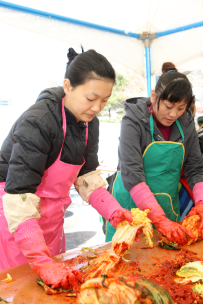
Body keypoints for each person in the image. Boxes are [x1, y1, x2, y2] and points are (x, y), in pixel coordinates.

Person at [0, 48, 133, 288]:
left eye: (104, 101)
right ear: (68, 86)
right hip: (17, 218)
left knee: (55, 283)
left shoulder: (90, 124)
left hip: (52, 218)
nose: (97, 108)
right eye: (91, 99)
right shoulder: (38, 121)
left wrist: (115, 211)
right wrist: (42, 262)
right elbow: (19, 195)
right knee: (19, 287)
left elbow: (86, 177)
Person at [106, 70, 203, 245]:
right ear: (153, 96)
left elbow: (195, 167)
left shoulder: (186, 123)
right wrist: (159, 220)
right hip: (131, 206)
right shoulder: (133, 121)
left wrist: (201, 202)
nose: (173, 114)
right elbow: (132, 174)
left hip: (167, 203)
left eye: (181, 109)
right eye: (168, 106)